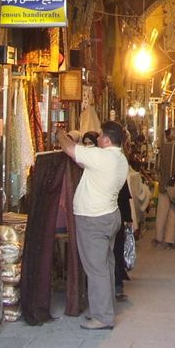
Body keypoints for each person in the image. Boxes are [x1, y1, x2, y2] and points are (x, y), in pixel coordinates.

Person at [56, 121, 129, 331]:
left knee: (96, 269)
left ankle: (103, 317)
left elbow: (69, 149)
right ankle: (104, 308)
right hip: (110, 216)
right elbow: (83, 162)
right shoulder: (119, 159)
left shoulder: (102, 156)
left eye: (99, 136)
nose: (97, 140)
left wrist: (61, 133)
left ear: (106, 139)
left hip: (94, 219)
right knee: (105, 265)